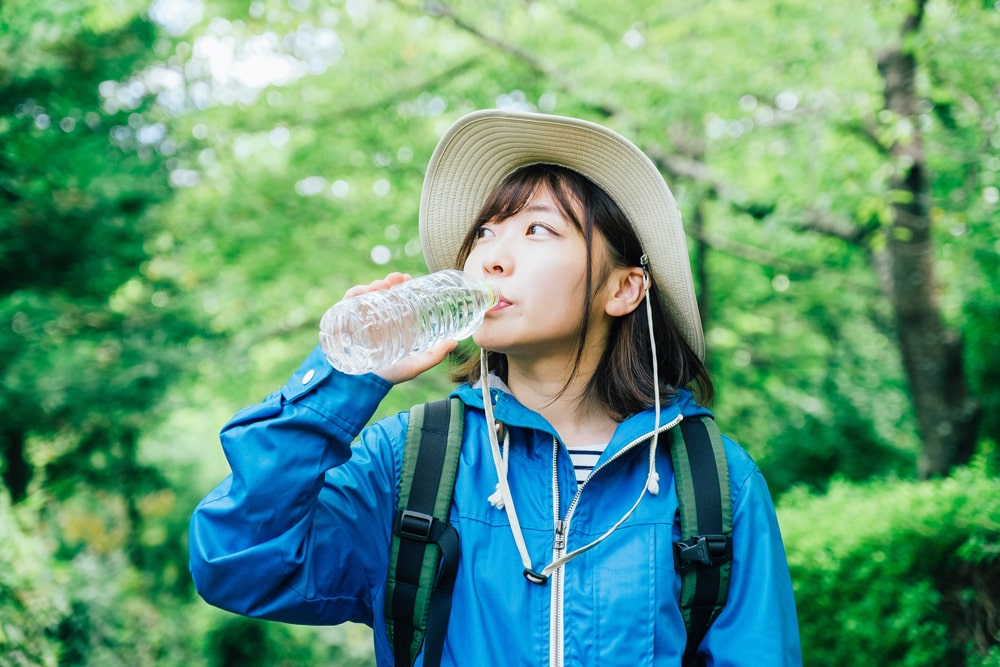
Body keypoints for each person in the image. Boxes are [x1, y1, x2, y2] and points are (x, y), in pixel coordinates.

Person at [189, 109, 802, 666]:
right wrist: (338, 382)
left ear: (624, 289)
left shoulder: (711, 480)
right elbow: (236, 560)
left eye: (538, 231)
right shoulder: (413, 462)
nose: (492, 258)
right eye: (486, 232)